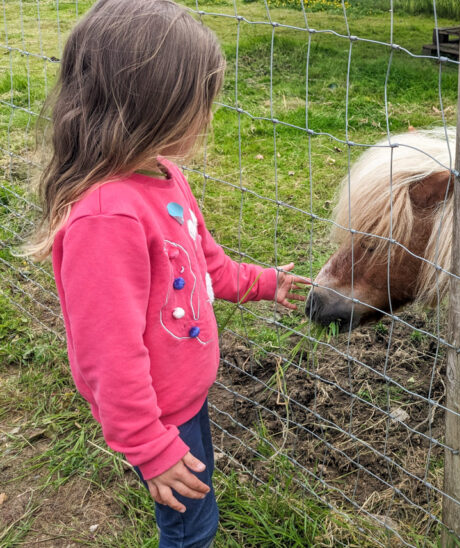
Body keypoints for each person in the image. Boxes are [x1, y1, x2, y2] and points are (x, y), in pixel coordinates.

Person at [24, 1, 310, 546]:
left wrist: (261, 283)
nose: (209, 115)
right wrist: (151, 448)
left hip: (182, 396)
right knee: (190, 529)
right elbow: (108, 351)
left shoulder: (163, 175)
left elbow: (203, 262)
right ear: (153, 106)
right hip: (155, 413)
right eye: (201, 100)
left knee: (196, 509)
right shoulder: (107, 217)